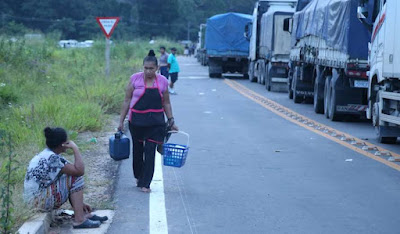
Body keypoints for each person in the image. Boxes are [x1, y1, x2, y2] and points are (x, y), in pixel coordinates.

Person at [118, 50, 178, 193]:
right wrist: (121, 121)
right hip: (137, 122)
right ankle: (139, 176)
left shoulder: (162, 81)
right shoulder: (135, 79)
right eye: (146, 68)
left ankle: (146, 183)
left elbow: (166, 103)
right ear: (142, 67)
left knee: (150, 151)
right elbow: (127, 101)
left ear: (157, 68)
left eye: (151, 68)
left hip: (156, 123)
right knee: (138, 151)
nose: (148, 71)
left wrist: (171, 121)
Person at [24, 127, 108, 229]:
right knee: (76, 178)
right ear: (62, 144)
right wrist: (75, 149)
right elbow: (79, 171)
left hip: (34, 200)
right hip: (39, 201)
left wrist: (80, 203)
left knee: (68, 176)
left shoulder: (47, 154)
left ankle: (81, 213)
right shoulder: (52, 158)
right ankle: (79, 220)